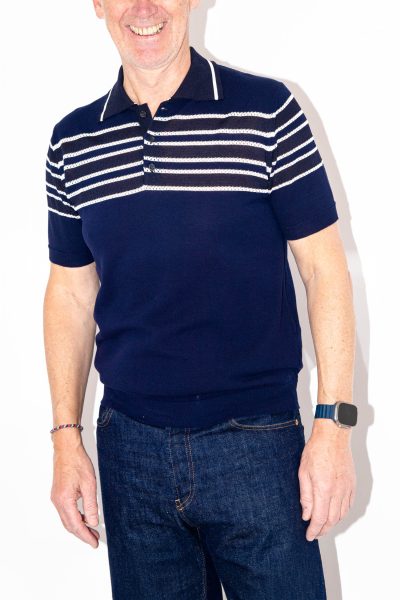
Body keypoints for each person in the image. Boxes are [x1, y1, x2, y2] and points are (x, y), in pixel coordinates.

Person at [43, 0, 358, 598]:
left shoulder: (267, 110)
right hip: (129, 449)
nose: (144, 8)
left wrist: (333, 428)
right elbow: (70, 293)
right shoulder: (72, 141)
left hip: (257, 443)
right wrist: (66, 438)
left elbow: (324, 270)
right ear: (98, 4)